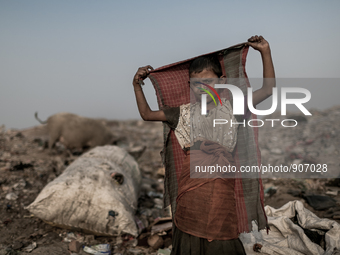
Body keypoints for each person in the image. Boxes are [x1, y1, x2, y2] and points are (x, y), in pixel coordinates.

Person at [132, 35, 275, 254]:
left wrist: (265, 51)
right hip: (191, 190)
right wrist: (137, 85)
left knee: (222, 235)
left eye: (208, 81)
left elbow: (267, 90)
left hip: (221, 189)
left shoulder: (232, 108)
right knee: (189, 234)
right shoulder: (182, 113)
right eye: (196, 83)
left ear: (221, 80)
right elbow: (147, 114)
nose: (203, 88)